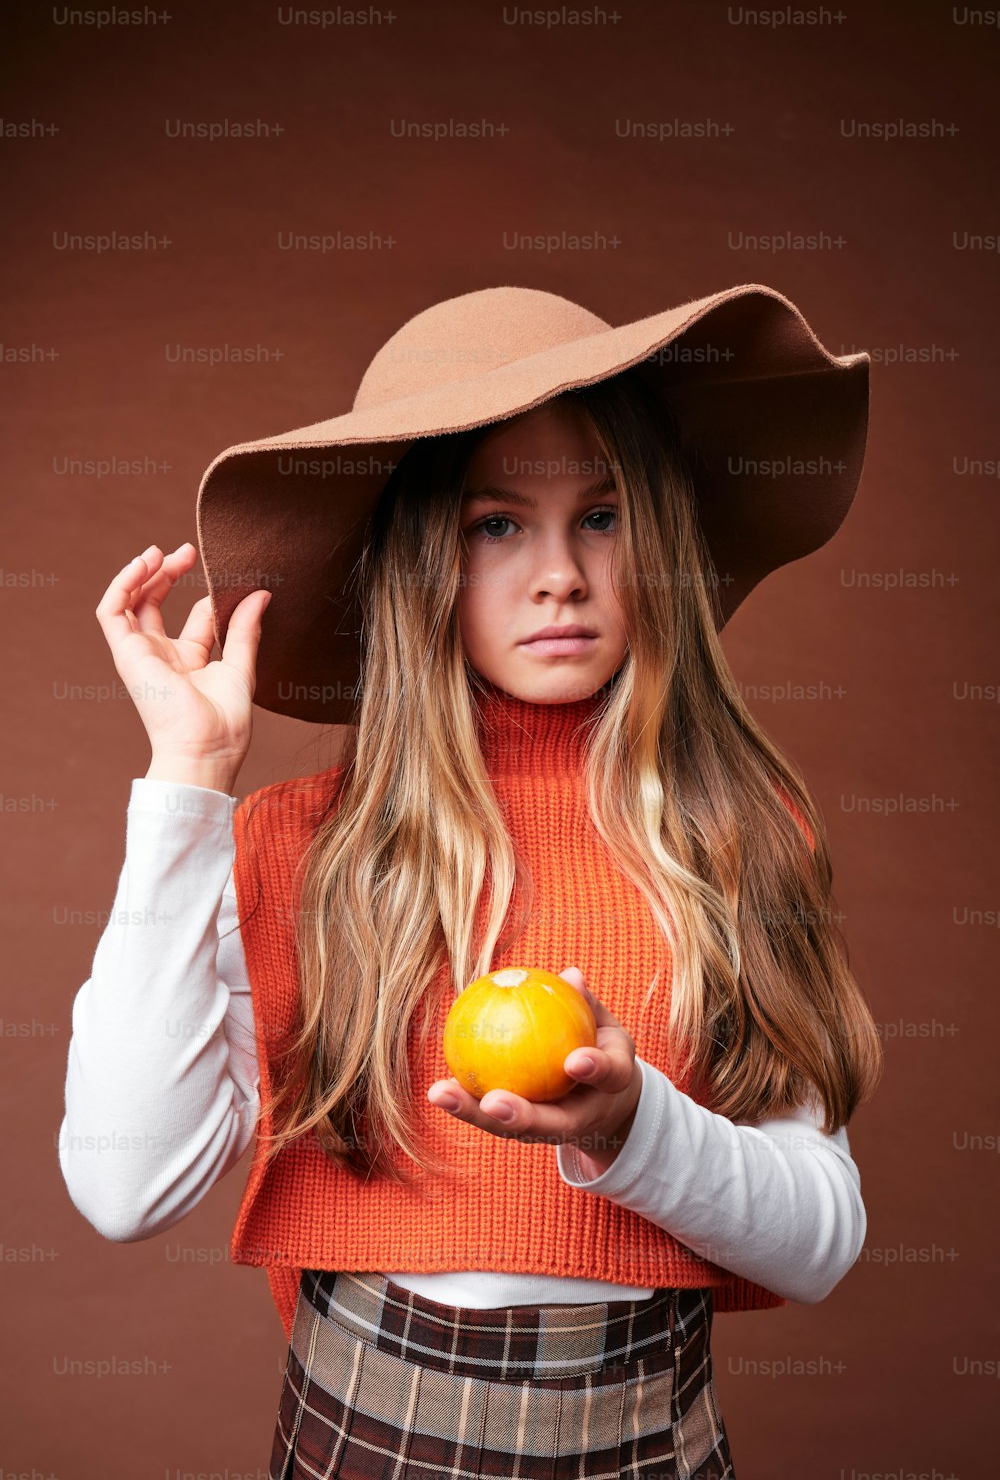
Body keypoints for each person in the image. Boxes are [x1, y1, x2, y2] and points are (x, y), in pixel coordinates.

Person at [61, 283, 883, 1478]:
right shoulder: (302, 848)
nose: (558, 573)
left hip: (648, 1440)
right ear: (418, 571)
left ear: (653, 538)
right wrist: (187, 783)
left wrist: (632, 1123)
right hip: (363, 1436)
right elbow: (123, 1183)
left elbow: (820, 1242)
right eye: (497, 525)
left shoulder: (743, 837)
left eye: (599, 517)